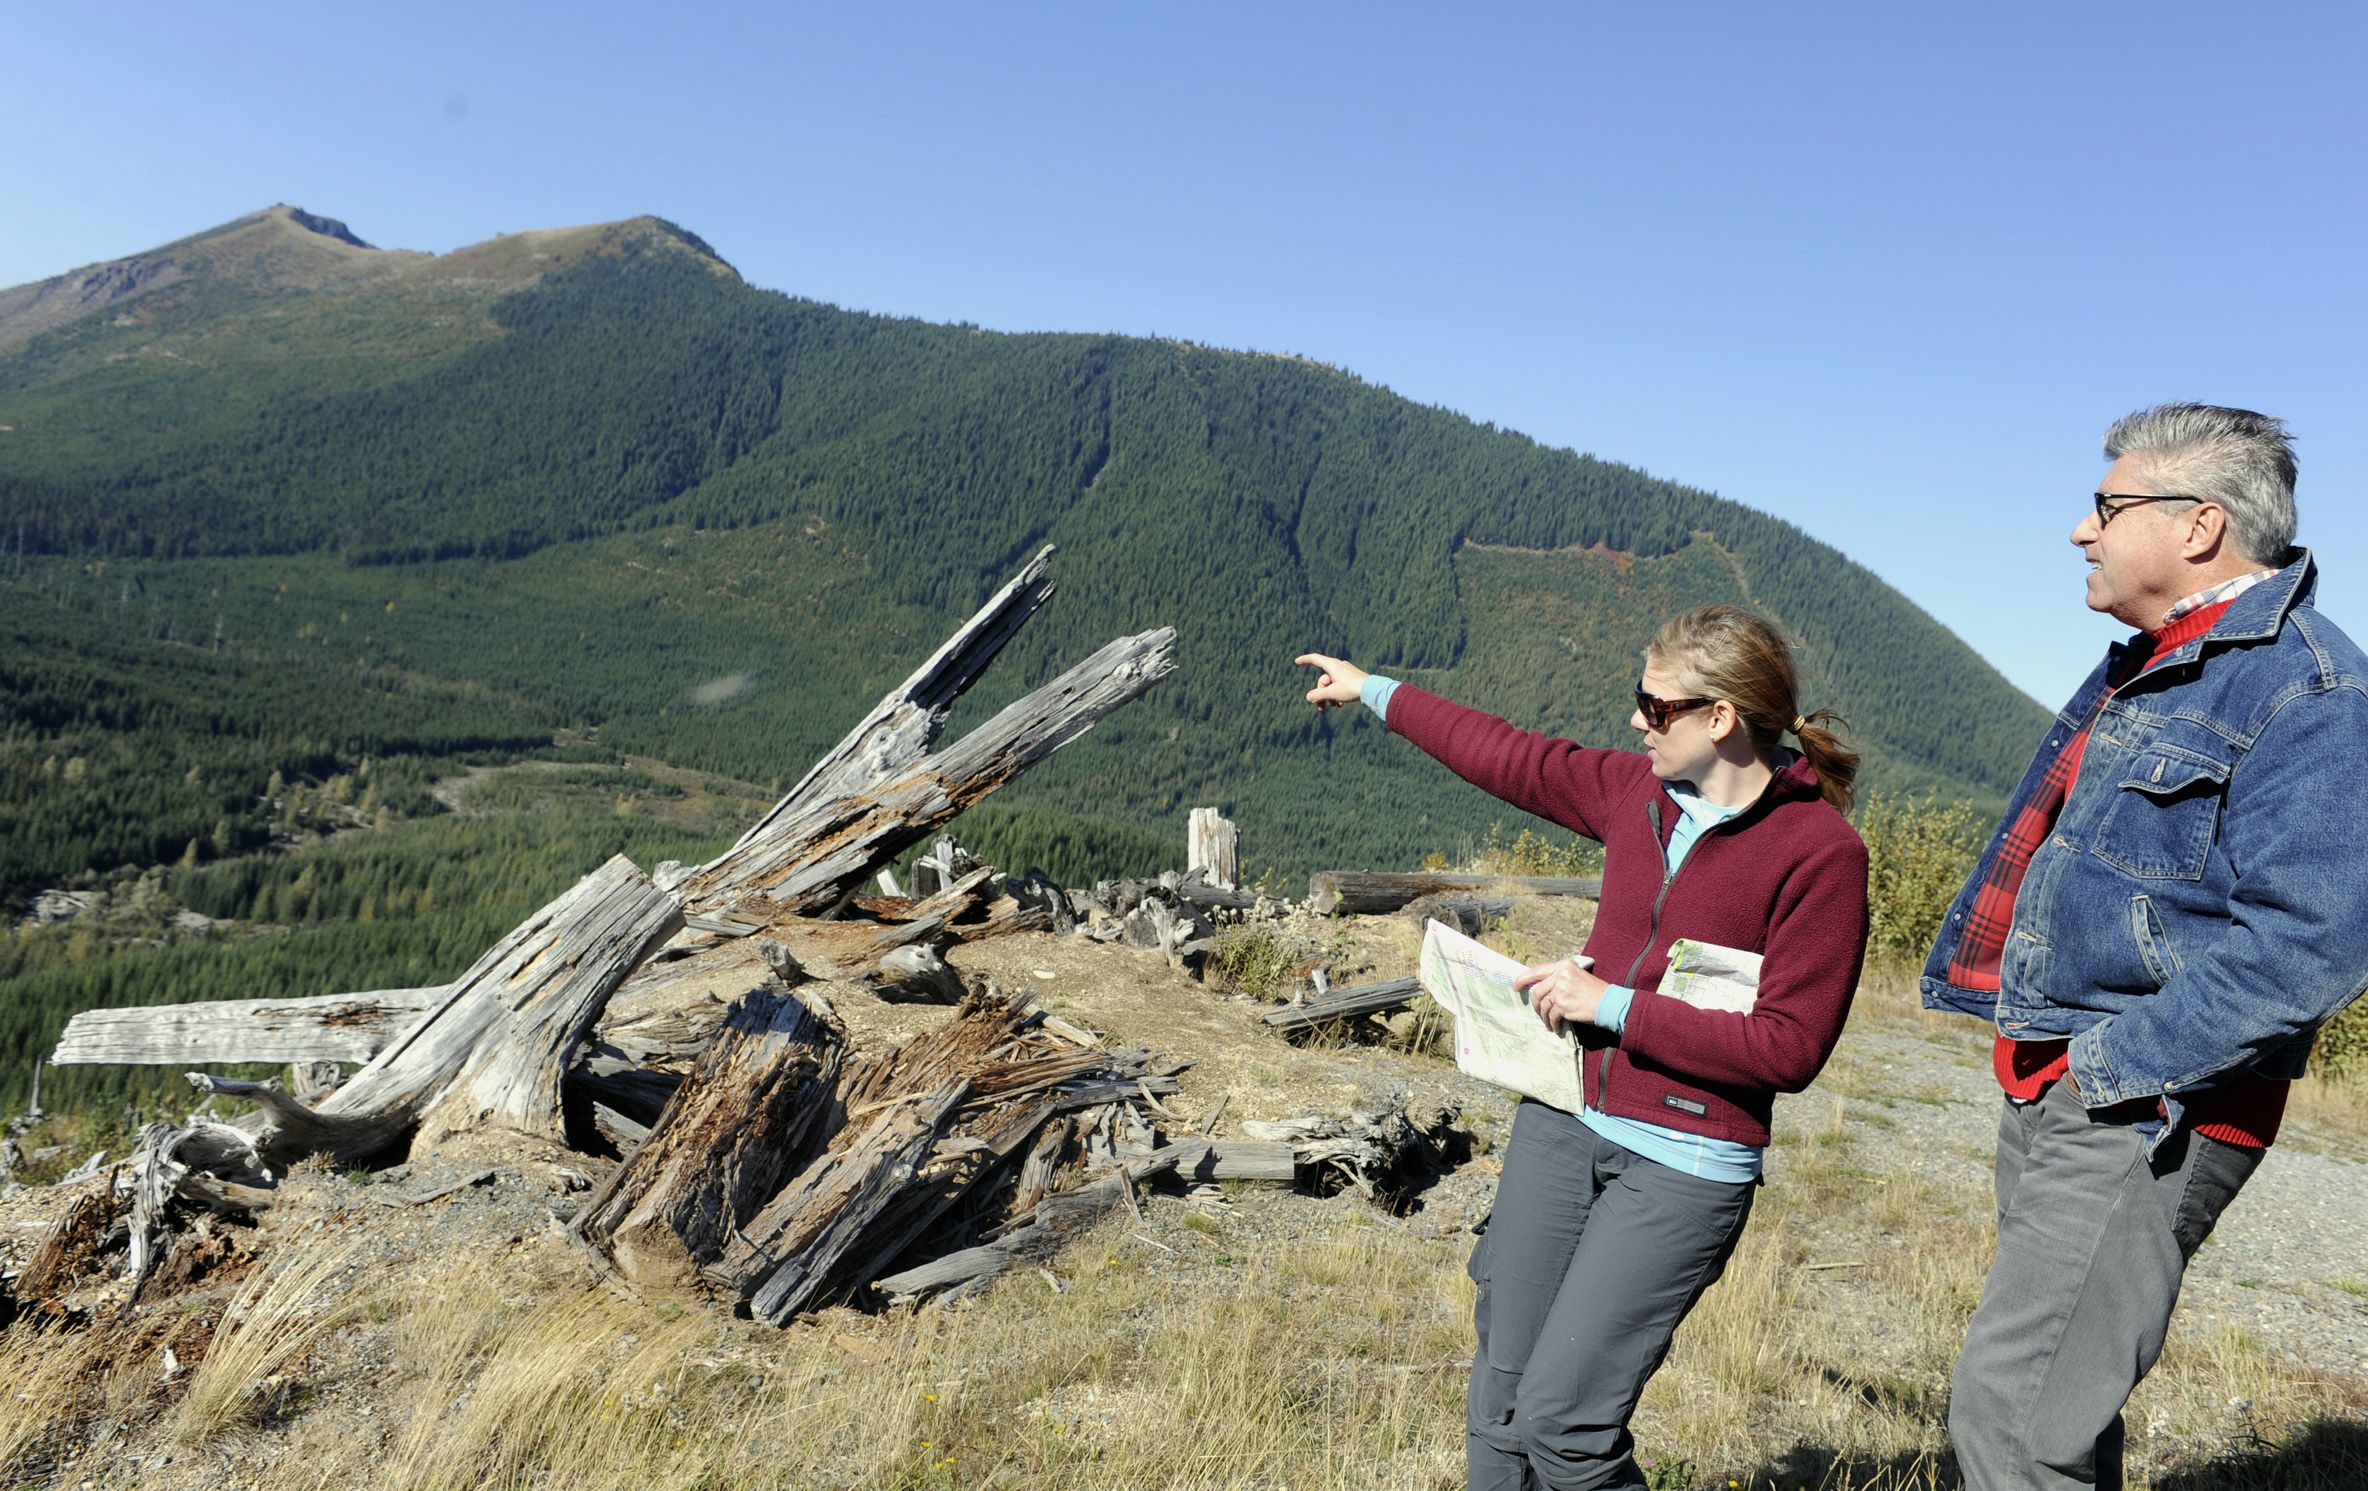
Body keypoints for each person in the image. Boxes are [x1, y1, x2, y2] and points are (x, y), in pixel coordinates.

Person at [1298, 605, 1870, 1491]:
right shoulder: (1633, 793)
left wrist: (1615, 1006)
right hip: (1567, 1120)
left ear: (1719, 717)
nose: (1636, 719)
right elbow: (1506, 754)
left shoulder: (1820, 853)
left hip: (1686, 1162)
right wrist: (1374, 690)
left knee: (1566, 1426)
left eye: (1655, 703)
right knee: (1499, 1402)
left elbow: (1789, 1049)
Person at [1921, 404, 2368, 1490]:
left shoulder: (2308, 688)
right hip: (2072, 1085)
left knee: (2013, 1423)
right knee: (2056, 1410)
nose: (2082, 530)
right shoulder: (2161, 663)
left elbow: (2309, 948)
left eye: (2108, 507)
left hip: (2152, 1101)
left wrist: (2101, 1071)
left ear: (2198, 524)